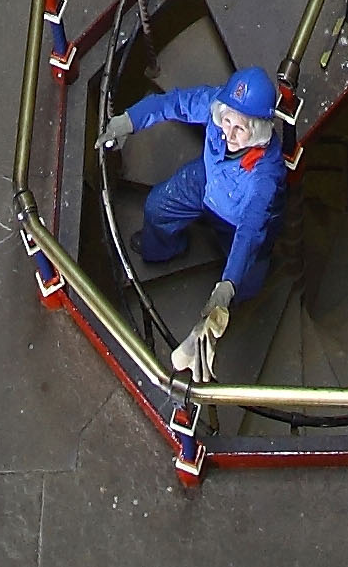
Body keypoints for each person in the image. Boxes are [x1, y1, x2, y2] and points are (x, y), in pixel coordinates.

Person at [105, 67, 288, 379]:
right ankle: (163, 248)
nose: (228, 134)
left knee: (246, 283)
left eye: (240, 129)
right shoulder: (218, 107)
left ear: (258, 130)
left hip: (237, 220)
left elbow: (250, 230)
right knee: (158, 208)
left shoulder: (265, 177)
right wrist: (130, 120)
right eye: (226, 121)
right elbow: (175, 103)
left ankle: (236, 298)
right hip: (207, 181)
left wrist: (228, 285)